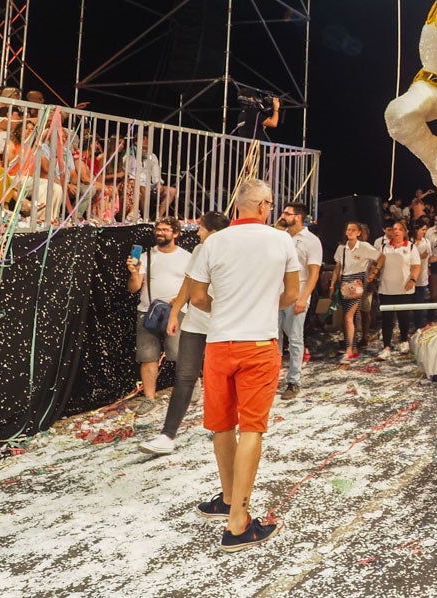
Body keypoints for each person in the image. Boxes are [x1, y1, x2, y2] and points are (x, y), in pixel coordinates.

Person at [186, 178, 304, 552]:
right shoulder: (281, 240)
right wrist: (265, 306)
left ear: (238, 206)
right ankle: (238, 522)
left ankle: (227, 498)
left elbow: (197, 296)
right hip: (258, 343)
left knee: (222, 426)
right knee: (251, 428)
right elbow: (293, 292)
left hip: (219, 343)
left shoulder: (213, 242)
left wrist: (225, 310)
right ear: (265, 206)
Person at [138, 210, 230, 455]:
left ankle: (224, 426)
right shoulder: (199, 251)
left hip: (223, 324)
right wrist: (174, 312)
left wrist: (225, 313)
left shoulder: (232, 252)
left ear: (213, 232)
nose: (197, 232)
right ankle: (167, 436)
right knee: (184, 376)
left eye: (201, 228)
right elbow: (189, 283)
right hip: (195, 323)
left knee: (220, 378)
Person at [124, 217, 192, 416]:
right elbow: (134, 288)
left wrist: (179, 300)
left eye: (165, 229)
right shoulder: (146, 257)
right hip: (148, 312)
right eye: (158, 229)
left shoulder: (186, 257)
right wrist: (134, 273)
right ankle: (149, 398)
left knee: (180, 354)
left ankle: (190, 387)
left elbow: (192, 285)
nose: (160, 232)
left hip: (176, 312)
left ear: (176, 233)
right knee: (148, 356)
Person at [277, 202, 322, 397]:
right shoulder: (279, 237)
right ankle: (270, 378)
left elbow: (314, 273)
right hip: (276, 294)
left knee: (295, 339)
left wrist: (304, 298)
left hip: (298, 295)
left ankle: (293, 381)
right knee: (273, 338)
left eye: (287, 213)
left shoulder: (311, 240)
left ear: (298, 217)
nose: (282, 216)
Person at [328, 220, 380, 361]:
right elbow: (337, 267)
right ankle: (353, 347)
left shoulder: (364, 247)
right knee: (349, 316)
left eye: (353, 230)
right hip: (345, 281)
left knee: (348, 317)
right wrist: (332, 284)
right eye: (348, 229)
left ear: (358, 232)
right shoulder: (342, 248)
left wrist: (374, 273)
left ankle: (349, 349)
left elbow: (381, 257)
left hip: (357, 281)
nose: (349, 232)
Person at [373, 220, 421, 358]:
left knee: (403, 317)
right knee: (387, 319)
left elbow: (416, 266)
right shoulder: (384, 247)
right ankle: (386, 346)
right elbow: (377, 263)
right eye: (394, 229)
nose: (396, 231)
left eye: (400, 229)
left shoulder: (411, 247)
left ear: (404, 232)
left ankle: (404, 339)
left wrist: (413, 279)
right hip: (386, 288)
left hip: (404, 288)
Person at [410, 219, 434, 330]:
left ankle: (419, 324)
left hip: (423, 276)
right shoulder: (410, 243)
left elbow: (430, 257)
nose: (424, 232)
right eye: (422, 230)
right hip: (410, 277)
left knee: (420, 301)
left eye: (425, 230)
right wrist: (419, 257)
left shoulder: (427, 242)